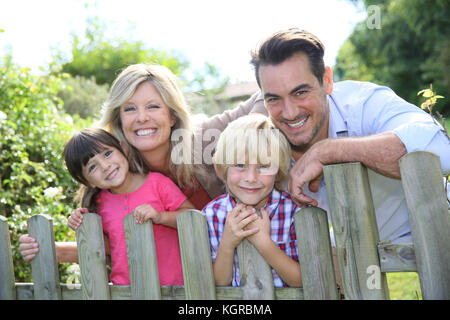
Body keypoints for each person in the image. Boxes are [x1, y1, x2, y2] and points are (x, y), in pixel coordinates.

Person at [19, 63, 267, 263]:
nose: (141, 118)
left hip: (245, 269)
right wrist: (50, 249)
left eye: (153, 106)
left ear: (172, 115)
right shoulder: (114, 172)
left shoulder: (204, 138)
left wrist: (250, 135)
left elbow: (265, 94)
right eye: (129, 109)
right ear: (119, 119)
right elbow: (116, 247)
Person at [249, 28, 450, 244]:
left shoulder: (363, 103)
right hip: (352, 250)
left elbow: (442, 151)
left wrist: (328, 151)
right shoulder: (265, 145)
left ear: (327, 80)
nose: (289, 113)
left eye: (300, 93)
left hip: (437, 230)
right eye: (273, 100)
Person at [64, 128, 194, 285]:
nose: (105, 166)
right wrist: (82, 223)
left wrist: (161, 216)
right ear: (87, 182)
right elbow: (108, 245)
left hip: (174, 286)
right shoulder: (98, 204)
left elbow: (192, 217)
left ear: (123, 149)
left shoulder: (157, 184)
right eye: (92, 167)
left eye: (107, 154)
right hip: (127, 289)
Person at [203, 114, 302, 287]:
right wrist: (227, 243)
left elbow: (303, 281)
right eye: (240, 165)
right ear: (223, 169)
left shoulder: (294, 212)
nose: (251, 178)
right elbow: (218, 284)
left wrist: (263, 241)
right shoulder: (212, 214)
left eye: (264, 166)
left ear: (278, 171)